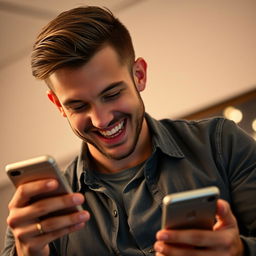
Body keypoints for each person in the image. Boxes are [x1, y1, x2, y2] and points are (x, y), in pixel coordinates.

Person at [1, 6, 256, 256]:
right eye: (78, 106)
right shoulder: (36, 213)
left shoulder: (221, 144)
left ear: (139, 75)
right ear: (58, 105)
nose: (101, 120)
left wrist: (239, 251)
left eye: (111, 94)